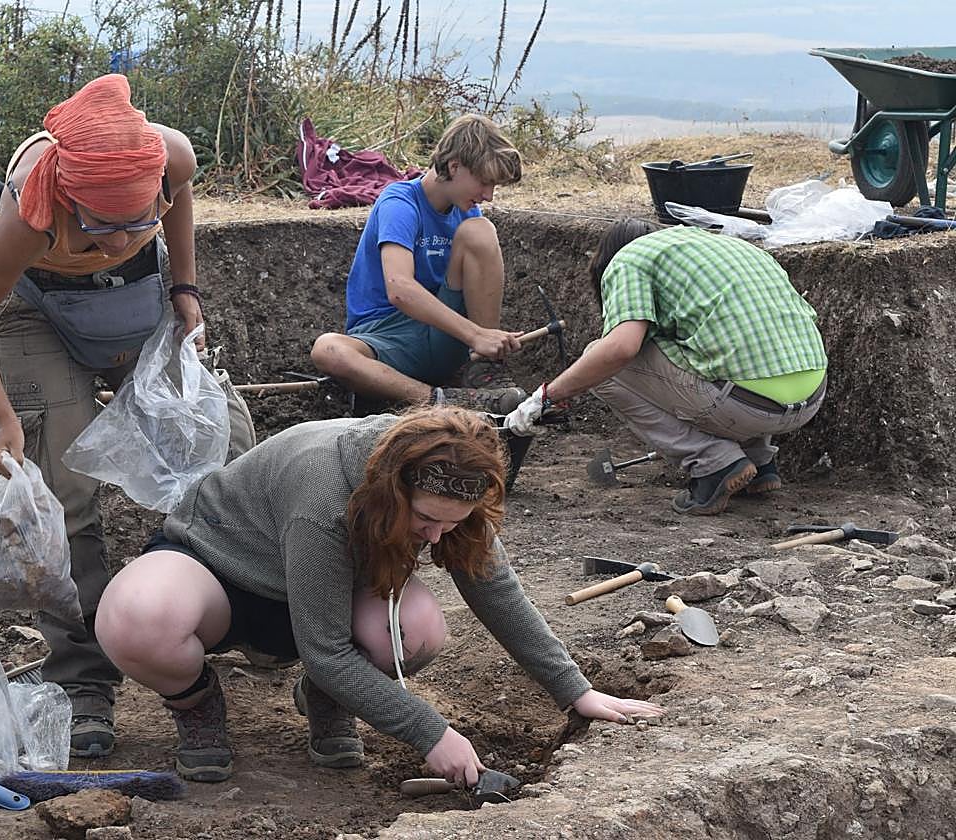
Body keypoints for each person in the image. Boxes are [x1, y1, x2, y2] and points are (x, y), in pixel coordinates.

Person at [96, 405, 663, 784]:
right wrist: (431, 733)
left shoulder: (452, 477)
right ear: (394, 491)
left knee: (414, 629)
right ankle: (196, 701)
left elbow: (496, 589)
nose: (436, 537)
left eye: (452, 524)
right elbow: (324, 646)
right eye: (425, 522)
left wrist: (575, 691)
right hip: (220, 572)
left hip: (325, 585)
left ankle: (328, 698)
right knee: (138, 618)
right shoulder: (325, 496)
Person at [0, 74, 208, 759]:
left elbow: (178, 202)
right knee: (64, 495)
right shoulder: (30, 210)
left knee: (215, 456)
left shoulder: (169, 156)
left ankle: (220, 624)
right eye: (99, 226)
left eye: (135, 223)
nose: (119, 239)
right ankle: (84, 678)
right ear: (66, 200)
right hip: (37, 311)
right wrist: (5, 418)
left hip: (135, 300)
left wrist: (183, 287)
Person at [505, 219, 828, 515]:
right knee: (724, 349)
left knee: (601, 363)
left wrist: (547, 396)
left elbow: (619, 349)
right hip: (810, 398)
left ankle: (713, 462)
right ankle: (759, 462)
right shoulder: (734, 247)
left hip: (743, 405)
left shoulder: (630, 260)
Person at [310, 115, 529, 414]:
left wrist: (481, 340)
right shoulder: (400, 203)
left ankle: (484, 371)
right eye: (484, 182)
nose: (489, 195)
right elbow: (399, 289)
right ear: (454, 166)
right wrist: (475, 334)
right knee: (328, 349)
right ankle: (437, 400)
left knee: (481, 230)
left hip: (445, 336)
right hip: (387, 337)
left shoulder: (468, 213)